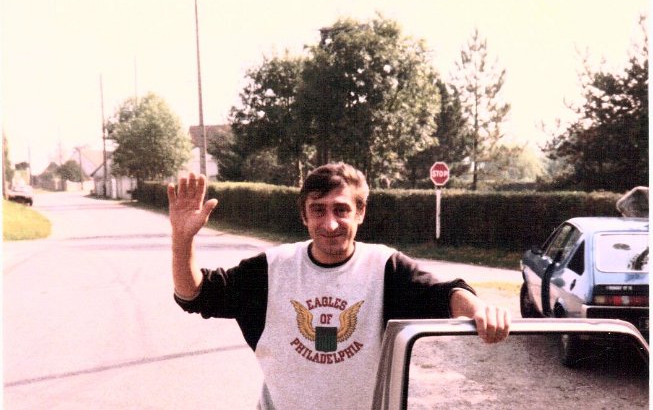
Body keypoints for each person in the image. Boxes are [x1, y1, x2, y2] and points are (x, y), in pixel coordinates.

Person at [169, 163, 510, 410]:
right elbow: (194, 294)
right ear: (304, 216)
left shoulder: (384, 266)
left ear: (361, 212)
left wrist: (479, 310)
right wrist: (182, 239)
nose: (330, 223)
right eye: (318, 210)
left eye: (341, 209)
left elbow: (446, 294)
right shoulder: (273, 269)